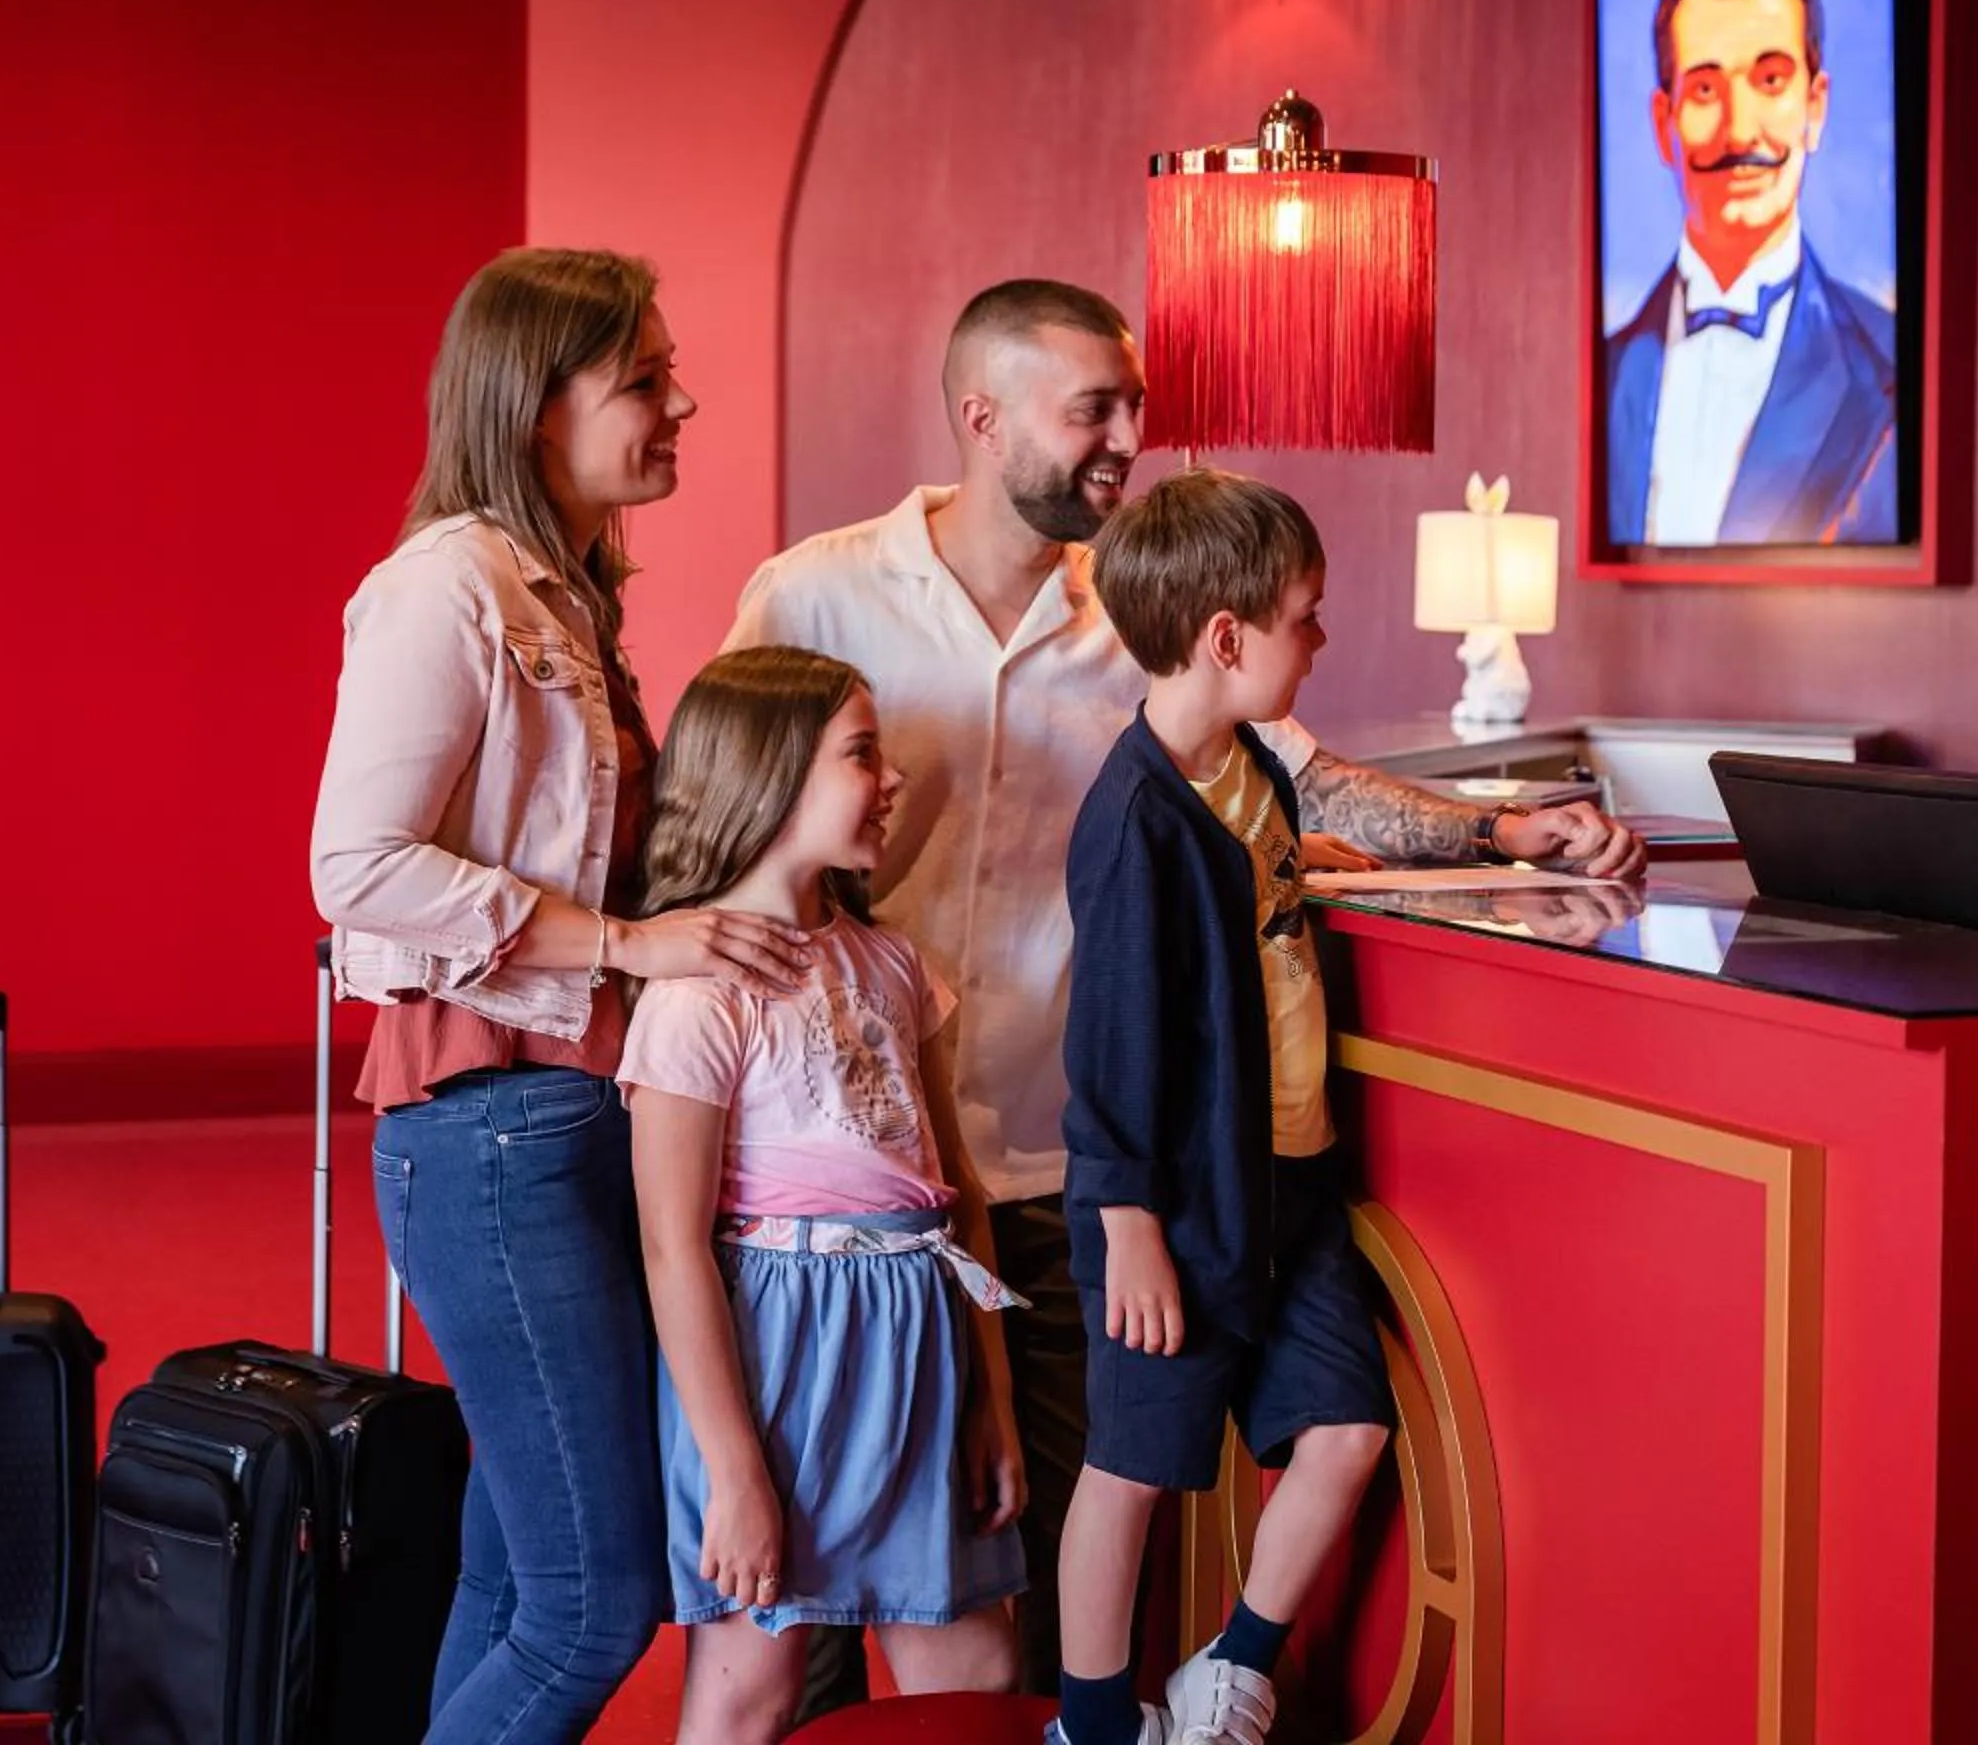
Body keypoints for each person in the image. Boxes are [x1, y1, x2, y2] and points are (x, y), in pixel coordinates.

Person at [721, 277, 1645, 1707]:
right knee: (798, 1623)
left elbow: (1306, 784)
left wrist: (1504, 829)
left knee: (999, 1589)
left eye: (1135, 405)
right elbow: (727, 836)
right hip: (855, 1176)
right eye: (1095, 406)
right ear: (982, 414)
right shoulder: (810, 592)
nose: (1129, 436)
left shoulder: (1150, 616)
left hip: (1060, 1166)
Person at [311, 247, 808, 1743]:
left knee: (516, 1581)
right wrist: (619, 942)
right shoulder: (448, 586)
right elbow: (355, 868)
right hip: (491, 1132)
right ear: (537, 407)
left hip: (561, 1118)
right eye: (644, 379)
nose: (681, 403)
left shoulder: (570, 594)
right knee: (597, 1604)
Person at [622, 647, 1028, 1744]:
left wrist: (989, 1400)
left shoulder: (892, 964)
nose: (891, 778)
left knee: (979, 1669)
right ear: (770, 775)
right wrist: (735, 1472)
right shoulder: (697, 996)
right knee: (750, 1687)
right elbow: (673, 1249)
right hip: (783, 1359)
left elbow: (964, 1200)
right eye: (862, 754)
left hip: (921, 1341)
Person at [1052, 469, 1394, 1745]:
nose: (1320, 637)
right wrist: (1128, 1220)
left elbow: (1264, 896)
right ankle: (1094, 1721)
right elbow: (1113, 1044)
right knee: (1133, 1465)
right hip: (1176, 1206)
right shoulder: (1135, 819)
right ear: (1228, 639)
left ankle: (1230, 1666)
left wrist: (1318, 861)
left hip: (1285, 1187)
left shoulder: (1250, 768)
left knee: (1349, 1425)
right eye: (1307, 616)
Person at [1603, 0, 1899, 547]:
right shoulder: (1606, 371)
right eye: (1706, 89)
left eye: (1770, 81)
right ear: (1664, 123)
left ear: (1815, 106)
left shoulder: (1893, 370)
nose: (1740, 131)